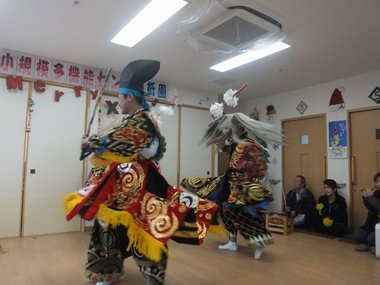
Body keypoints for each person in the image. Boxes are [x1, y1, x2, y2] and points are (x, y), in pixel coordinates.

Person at [63, 60, 218, 285]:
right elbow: (116, 144)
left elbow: (125, 141)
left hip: (142, 187)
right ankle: (109, 272)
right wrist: (91, 144)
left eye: (120, 97)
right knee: (108, 229)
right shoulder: (129, 120)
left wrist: (94, 141)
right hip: (119, 187)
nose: (118, 102)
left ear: (130, 97)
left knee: (147, 230)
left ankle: (153, 278)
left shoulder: (144, 120)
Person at [181, 88, 282, 260]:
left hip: (243, 186)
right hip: (229, 183)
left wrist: (249, 179)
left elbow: (261, 166)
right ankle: (232, 242)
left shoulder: (249, 144)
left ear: (238, 129)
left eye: (230, 130)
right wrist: (214, 123)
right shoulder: (235, 144)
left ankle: (259, 243)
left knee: (244, 215)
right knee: (225, 211)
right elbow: (221, 144)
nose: (228, 133)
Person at [354, 172, 380, 252]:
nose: (377, 184)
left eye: (379, 181)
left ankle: (371, 245)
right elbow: (370, 208)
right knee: (357, 235)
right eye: (376, 182)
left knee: (371, 239)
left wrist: (371, 198)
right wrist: (365, 198)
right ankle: (372, 245)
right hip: (371, 224)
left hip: (379, 226)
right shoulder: (376, 193)